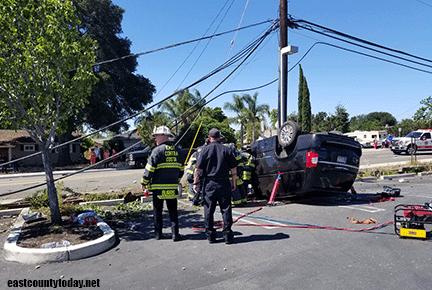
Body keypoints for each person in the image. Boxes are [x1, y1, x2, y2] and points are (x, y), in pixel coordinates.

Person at [194, 128, 238, 244]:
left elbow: (198, 169)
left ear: (209, 138)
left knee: (209, 210)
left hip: (209, 184)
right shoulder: (227, 150)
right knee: (226, 209)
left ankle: (210, 236)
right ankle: (227, 235)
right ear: (219, 138)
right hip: (224, 183)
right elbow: (233, 169)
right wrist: (233, 182)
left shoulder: (204, 150)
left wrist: (196, 184)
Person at [141, 126, 184, 241]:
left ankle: (158, 234)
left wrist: (144, 182)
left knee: (157, 211)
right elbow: (181, 170)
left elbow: (149, 170)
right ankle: (175, 234)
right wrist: (176, 179)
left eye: (156, 136)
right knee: (173, 211)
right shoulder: (178, 151)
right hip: (172, 187)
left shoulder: (157, 151)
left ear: (163, 137)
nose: (155, 139)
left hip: (158, 188)